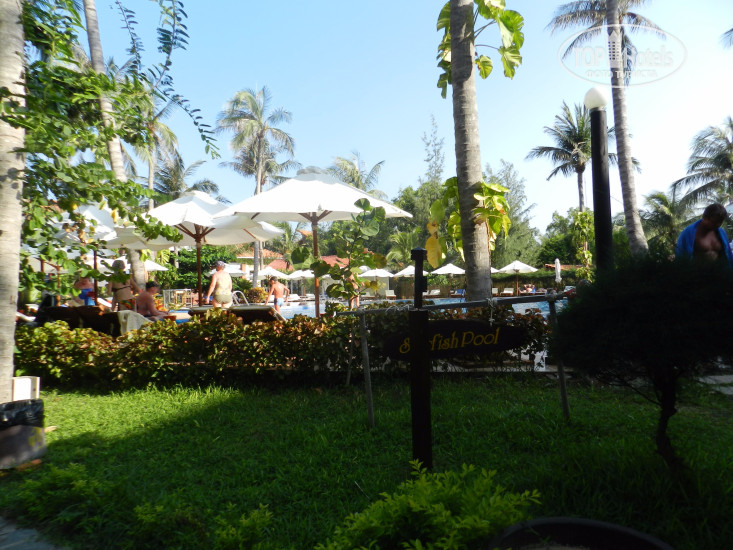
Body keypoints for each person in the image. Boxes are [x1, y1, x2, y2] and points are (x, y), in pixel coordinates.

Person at [675, 203, 733, 267]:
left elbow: (728, 255)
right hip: (697, 271)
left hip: (720, 271)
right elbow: (680, 256)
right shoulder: (688, 233)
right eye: (714, 222)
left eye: (720, 222)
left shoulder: (721, 233)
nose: (717, 225)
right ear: (704, 217)